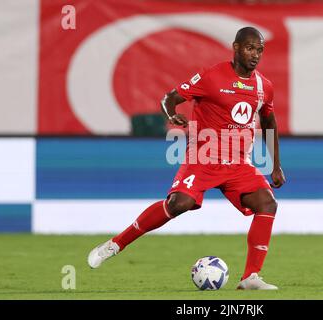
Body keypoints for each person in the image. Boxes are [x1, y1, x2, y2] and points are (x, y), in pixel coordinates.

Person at [87, 26, 286, 290]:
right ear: (236, 47)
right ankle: (115, 244)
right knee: (179, 203)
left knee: (267, 204)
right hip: (203, 157)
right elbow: (168, 99)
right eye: (250, 48)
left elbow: (269, 122)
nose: (255, 54)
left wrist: (275, 165)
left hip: (238, 161)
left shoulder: (264, 86)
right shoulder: (212, 76)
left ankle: (250, 277)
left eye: (259, 49)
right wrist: (171, 115)